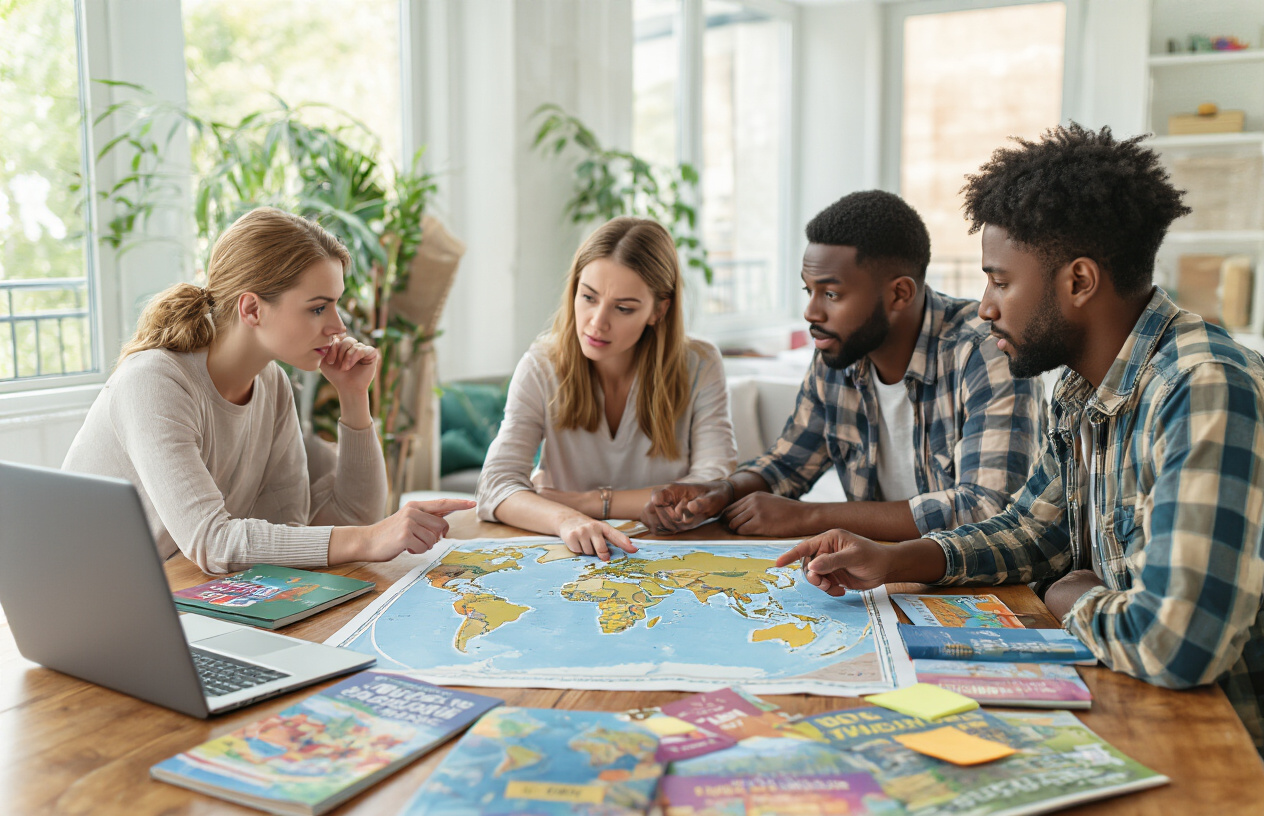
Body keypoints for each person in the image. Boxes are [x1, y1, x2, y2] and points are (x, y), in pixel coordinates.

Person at [778, 124, 1264, 752]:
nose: (983, 306)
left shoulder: (1203, 389)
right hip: (1133, 702)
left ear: (1079, 281)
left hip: (1219, 745)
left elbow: (1178, 644)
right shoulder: (1082, 389)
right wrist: (895, 558)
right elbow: (1033, 531)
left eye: (1000, 281)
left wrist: (1077, 597)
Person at [63, 207, 472, 574]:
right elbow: (213, 541)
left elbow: (339, 521)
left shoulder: (271, 382)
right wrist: (368, 539)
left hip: (178, 593)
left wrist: (354, 398)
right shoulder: (153, 381)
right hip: (89, 601)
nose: (338, 326)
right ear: (253, 309)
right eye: (317, 308)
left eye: (335, 305)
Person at [647, 191, 1044, 541]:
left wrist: (812, 516)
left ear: (899, 294)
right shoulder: (838, 352)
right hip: (876, 575)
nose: (810, 311)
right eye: (809, 290)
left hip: (977, 588)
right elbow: (788, 462)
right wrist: (722, 492)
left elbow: (986, 510)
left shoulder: (986, 351)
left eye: (831, 293)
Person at [476, 216, 737, 560]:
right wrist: (566, 518)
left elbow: (712, 487)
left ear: (659, 310)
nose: (597, 322)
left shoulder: (700, 364)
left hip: (669, 555)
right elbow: (495, 486)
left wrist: (589, 502)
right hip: (571, 553)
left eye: (623, 308)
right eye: (588, 297)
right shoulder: (541, 365)